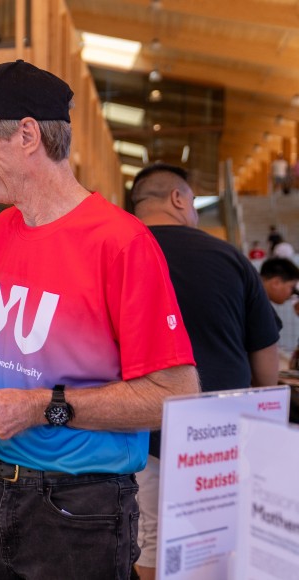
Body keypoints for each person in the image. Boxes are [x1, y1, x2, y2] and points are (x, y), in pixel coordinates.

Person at [0, 59, 199, 579]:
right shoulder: (3, 232)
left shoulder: (121, 243)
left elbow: (174, 395)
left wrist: (40, 407)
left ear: (27, 135)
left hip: (81, 508)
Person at [130, 163, 280, 579]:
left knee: (150, 536)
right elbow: (264, 356)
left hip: (141, 429)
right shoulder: (228, 255)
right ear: (178, 199)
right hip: (221, 433)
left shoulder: (118, 250)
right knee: (215, 535)